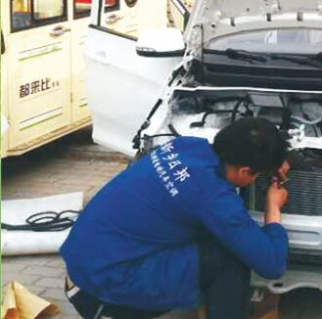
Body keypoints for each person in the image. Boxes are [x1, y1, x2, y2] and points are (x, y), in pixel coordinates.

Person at [61, 118, 290, 319]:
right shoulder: (213, 198)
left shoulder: (186, 145)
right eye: (258, 175)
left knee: (213, 238)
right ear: (244, 171)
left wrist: (271, 160)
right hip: (100, 292)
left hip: (82, 265)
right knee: (229, 259)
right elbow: (272, 264)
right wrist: (272, 206)